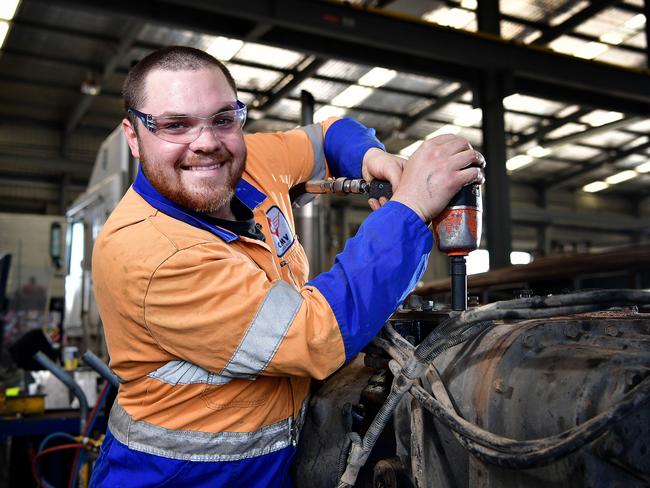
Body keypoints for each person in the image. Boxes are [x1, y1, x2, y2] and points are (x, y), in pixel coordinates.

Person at [89, 45, 485, 487]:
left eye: (223, 118)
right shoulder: (151, 253)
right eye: (174, 125)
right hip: (182, 478)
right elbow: (314, 335)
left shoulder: (243, 164)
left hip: (278, 466)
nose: (205, 143)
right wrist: (410, 208)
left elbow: (328, 135)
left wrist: (373, 159)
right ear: (133, 136)